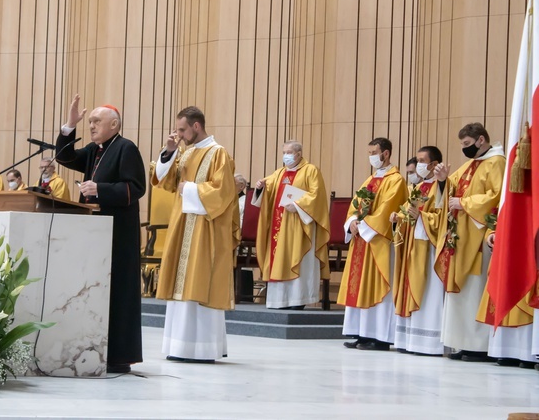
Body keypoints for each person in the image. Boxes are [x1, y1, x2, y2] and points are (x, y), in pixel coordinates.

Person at [55, 94, 146, 374]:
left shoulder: (125, 148)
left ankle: (119, 356)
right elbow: (64, 156)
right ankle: (92, 352)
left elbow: (136, 188)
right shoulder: (95, 150)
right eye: (90, 121)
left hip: (118, 234)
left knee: (118, 293)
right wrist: (70, 125)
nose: (91, 126)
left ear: (114, 125)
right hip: (94, 233)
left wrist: (100, 190)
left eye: (96, 121)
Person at [154, 106, 240, 362]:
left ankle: (202, 348)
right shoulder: (186, 152)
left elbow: (223, 192)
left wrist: (189, 189)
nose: (178, 134)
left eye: (181, 129)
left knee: (200, 281)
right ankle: (178, 346)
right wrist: (169, 152)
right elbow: (165, 182)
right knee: (181, 283)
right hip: (182, 226)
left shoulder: (219, 154)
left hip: (206, 230)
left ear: (196, 126)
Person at [433, 122, 505, 362]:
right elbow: (450, 190)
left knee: (475, 290)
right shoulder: (469, 165)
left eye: (466, 144)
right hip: (461, 237)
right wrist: (443, 180)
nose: (464, 149)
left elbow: (496, 197)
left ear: (481, 140)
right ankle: (461, 343)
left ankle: (479, 346)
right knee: (462, 292)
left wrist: (464, 204)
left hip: (480, 238)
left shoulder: (497, 163)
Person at [338, 137, 407, 351]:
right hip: (362, 241)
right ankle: (362, 334)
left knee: (377, 287)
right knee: (359, 286)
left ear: (386, 153)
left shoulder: (396, 180)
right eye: (369, 153)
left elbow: (387, 209)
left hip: (378, 242)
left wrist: (364, 226)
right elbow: (354, 205)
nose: (371, 157)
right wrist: (352, 223)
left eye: (374, 152)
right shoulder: (369, 180)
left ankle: (380, 337)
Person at [253, 140, 330, 310]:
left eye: (288, 152)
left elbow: (317, 196)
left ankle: (298, 300)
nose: (285, 156)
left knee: (299, 260)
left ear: (298, 153)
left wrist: (296, 205)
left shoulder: (311, 170)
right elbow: (268, 189)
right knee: (278, 259)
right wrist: (261, 187)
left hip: (300, 226)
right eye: (283, 152)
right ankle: (280, 301)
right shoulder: (279, 173)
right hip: (279, 227)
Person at [390, 146, 444, 355]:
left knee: (428, 290)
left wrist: (421, 217)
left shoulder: (441, 187)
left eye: (422, 160)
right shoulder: (418, 188)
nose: (418, 164)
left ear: (433, 164)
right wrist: (399, 218)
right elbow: (408, 211)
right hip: (412, 245)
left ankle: (428, 343)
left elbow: (442, 217)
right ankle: (408, 340)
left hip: (428, 247)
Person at [477, 230, 539, 367]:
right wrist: (493, 232)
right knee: (506, 284)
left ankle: (526, 352)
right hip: (506, 237)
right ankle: (506, 350)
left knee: (522, 282)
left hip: (527, 234)